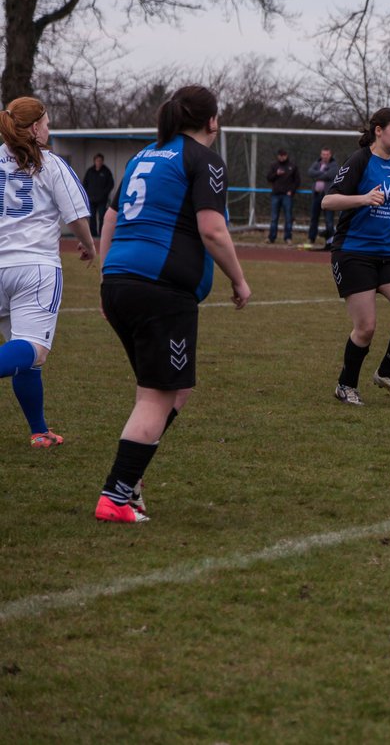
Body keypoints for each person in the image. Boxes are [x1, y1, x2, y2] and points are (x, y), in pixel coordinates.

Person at [95, 85, 251, 523]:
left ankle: (131, 478)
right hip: (160, 290)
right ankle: (117, 496)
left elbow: (110, 216)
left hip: (122, 281)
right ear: (212, 121)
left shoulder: (146, 154)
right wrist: (239, 280)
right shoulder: (203, 159)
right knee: (156, 396)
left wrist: (108, 275)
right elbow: (213, 230)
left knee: (174, 388)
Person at [0, 96, 97, 448]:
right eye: (47, 121)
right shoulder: (50, 164)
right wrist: (88, 244)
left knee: (24, 357)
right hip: (34, 268)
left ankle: (39, 431)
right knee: (34, 350)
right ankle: (39, 430)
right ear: (36, 127)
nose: (49, 127)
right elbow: (75, 216)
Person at [323, 108, 390, 406]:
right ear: (379, 130)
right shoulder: (359, 161)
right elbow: (328, 200)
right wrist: (363, 198)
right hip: (354, 253)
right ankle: (346, 386)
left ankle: (386, 373)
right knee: (366, 327)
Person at [307, 146, 339, 248]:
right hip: (316, 195)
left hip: (328, 196)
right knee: (313, 218)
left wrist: (318, 175)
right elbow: (310, 172)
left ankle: (330, 241)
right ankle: (311, 238)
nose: (325, 156)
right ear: (321, 155)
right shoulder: (317, 163)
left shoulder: (334, 165)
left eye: (327, 154)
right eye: (323, 154)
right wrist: (322, 173)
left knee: (329, 220)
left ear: (330, 155)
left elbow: (330, 175)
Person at [266, 147, 300, 244]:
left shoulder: (292, 166)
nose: (281, 157)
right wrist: (276, 174)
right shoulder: (274, 166)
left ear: (286, 156)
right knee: (274, 218)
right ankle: (271, 238)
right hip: (275, 195)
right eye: (280, 156)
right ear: (278, 156)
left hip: (287, 195)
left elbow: (297, 181)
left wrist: (291, 191)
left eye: (283, 155)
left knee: (288, 217)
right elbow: (268, 178)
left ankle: (288, 238)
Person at [82, 153, 115, 237]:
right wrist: (87, 194)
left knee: (102, 217)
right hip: (91, 199)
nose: (98, 162)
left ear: (102, 161)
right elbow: (85, 183)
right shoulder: (90, 171)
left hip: (102, 200)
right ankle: (93, 234)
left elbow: (111, 184)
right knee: (92, 217)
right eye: (97, 161)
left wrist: (104, 194)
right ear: (94, 161)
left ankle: (101, 234)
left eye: (100, 161)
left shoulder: (106, 171)